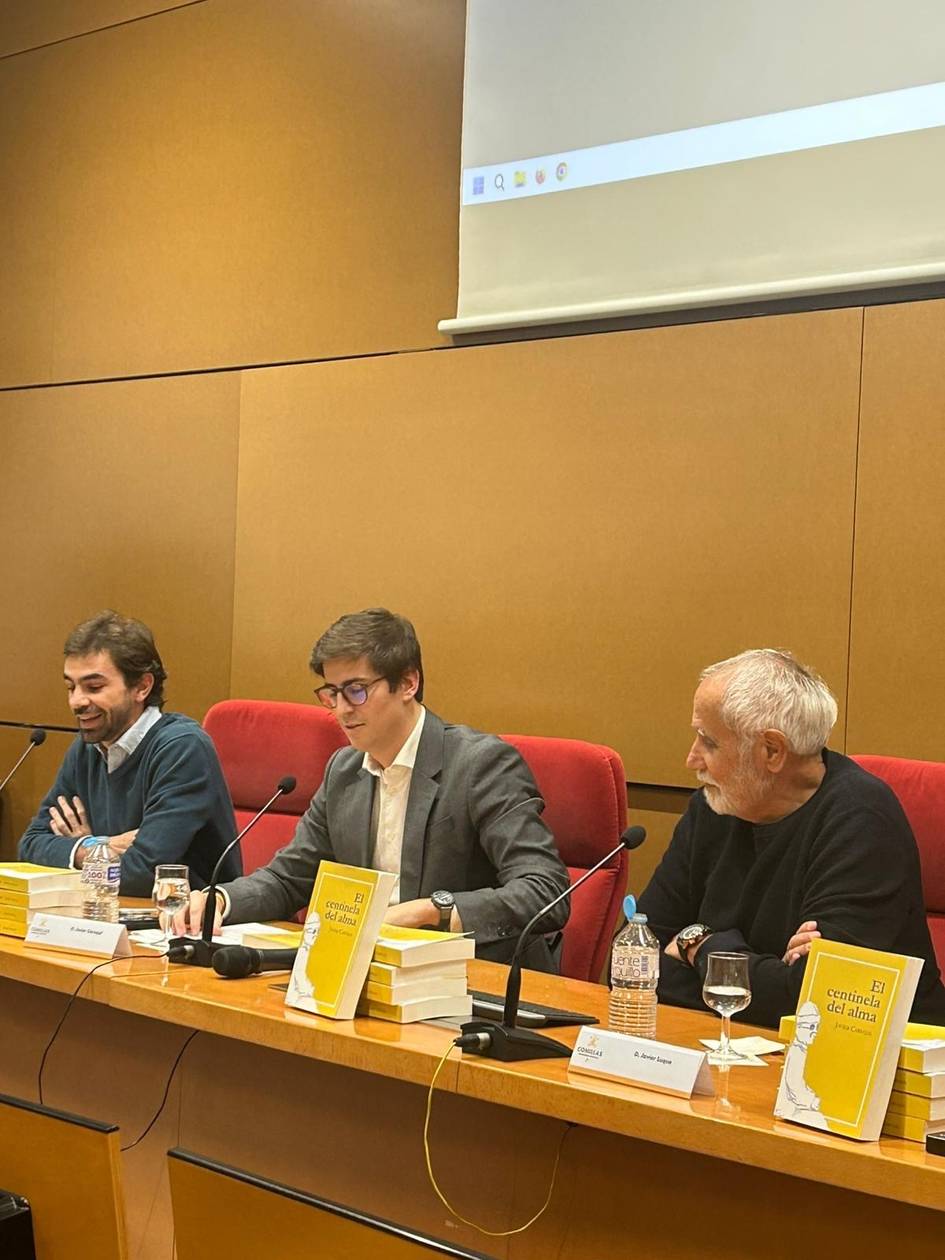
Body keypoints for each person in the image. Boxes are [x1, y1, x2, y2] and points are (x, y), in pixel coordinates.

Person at [176, 608, 570, 970]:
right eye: (332, 693)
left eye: (357, 690)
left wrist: (432, 911)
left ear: (408, 683)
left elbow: (546, 891)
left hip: (472, 978)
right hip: (372, 973)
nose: (342, 709)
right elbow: (289, 879)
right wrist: (221, 899)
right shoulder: (344, 770)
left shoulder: (479, 765)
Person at [638, 648, 945, 1028]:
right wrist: (758, 976)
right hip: (733, 1039)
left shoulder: (862, 821)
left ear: (772, 751)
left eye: (709, 741)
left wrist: (701, 948)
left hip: (886, 1058)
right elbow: (635, 960)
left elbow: (817, 1003)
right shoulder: (714, 805)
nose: (692, 759)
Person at [18, 611, 240, 897]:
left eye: (94, 687)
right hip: (103, 910)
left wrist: (76, 852)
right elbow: (30, 845)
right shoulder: (86, 749)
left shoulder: (182, 748)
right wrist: (100, 846)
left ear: (142, 687)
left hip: (178, 917)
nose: (76, 701)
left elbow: (143, 873)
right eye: (71, 687)